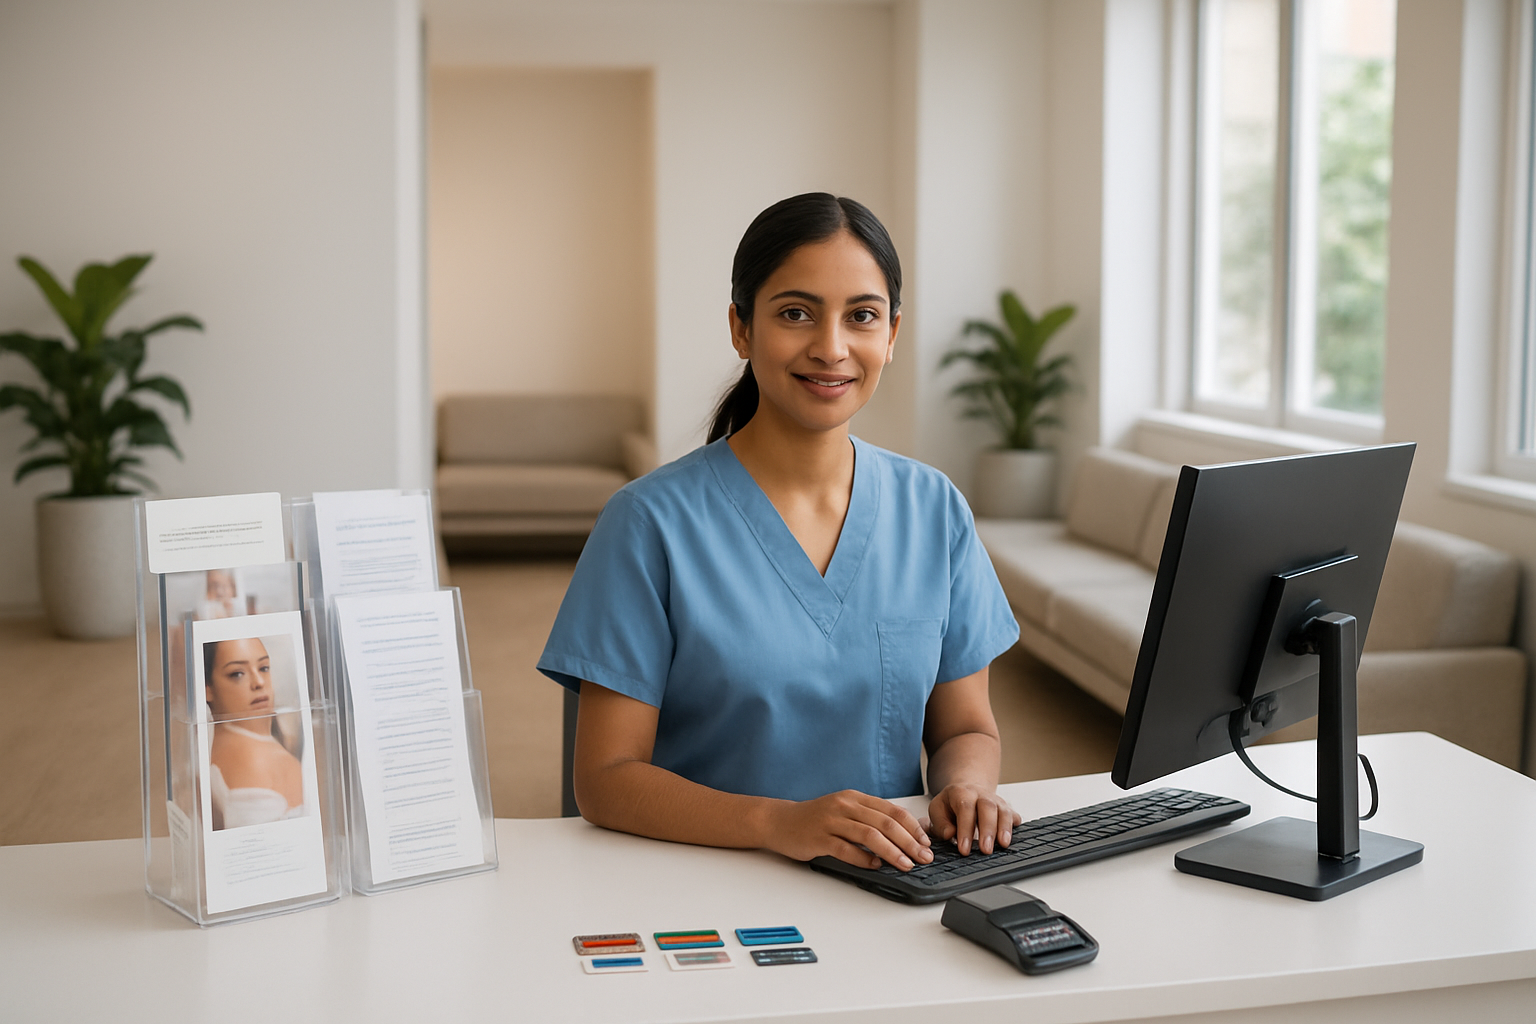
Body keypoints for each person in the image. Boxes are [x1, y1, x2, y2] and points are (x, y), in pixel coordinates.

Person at [538, 193, 1021, 873]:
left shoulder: (934, 509)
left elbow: (965, 728)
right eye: (796, 313)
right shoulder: (648, 523)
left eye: (861, 316)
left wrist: (967, 788)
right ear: (741, 329)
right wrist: (778, 823)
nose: (831, 348)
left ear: (891, 335)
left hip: (891, 885)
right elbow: (606, 778)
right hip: (703, 882)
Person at [204, 636, 305, 830]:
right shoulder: (249, 754)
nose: (258, 682)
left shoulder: (271, 743)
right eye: (237, 674)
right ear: (207, 689)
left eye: (264, 668)